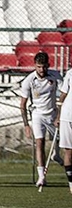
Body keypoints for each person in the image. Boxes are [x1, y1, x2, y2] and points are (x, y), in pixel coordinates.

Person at [19, 51, 62, 188]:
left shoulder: (55, 76)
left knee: (61, 140)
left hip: (53, 113)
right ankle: (41, 176)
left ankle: (56, 154)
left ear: (48, 65)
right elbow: (23, 104)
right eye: (38, 67)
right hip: (37, 114)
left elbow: (64, 95)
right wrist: (26, 125)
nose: (41, 70)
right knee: (40, 143)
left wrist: (61, 115)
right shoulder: (29, 80)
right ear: (34, 66)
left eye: (44, 67)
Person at [56, 68, 72, 194]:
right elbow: (63, 95)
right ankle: (71, 183)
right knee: (69, 151)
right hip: (67, 116)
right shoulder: (71, 73)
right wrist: (58, 116)